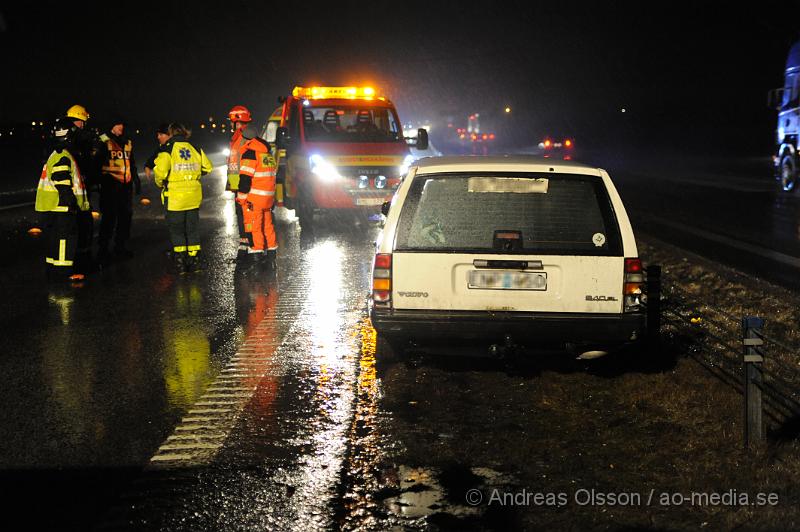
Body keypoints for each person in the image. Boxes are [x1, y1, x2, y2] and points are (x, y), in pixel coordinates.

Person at [35, 118, 91, 281]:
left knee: (54, 238)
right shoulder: (63, 154)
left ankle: (53, 269)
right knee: (64, 239)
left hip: (51, 207)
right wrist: (70, 201)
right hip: (61, 207)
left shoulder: (56, 152)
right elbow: (61, 179)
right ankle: (63, 272)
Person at [153, 123, 213, 273]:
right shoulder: (194, 147)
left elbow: (160, 173)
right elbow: (207, 167)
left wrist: (161, 183)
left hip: (175, 198)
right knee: (192, 229)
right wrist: (194, 177)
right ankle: (195, 261)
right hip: (193, 196)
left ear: (171, 133)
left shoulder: (167, 149)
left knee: (177, 230)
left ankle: (180, 262)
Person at [97, 116, 140, 263]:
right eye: (117, 124)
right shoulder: (103, 140)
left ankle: (120, 247)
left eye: (122, 124)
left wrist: (136, 179)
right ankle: (103, 250)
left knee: (125, 218)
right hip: (109, 186)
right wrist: (98, 181)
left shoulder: (127, 141)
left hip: (125, 187)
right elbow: (96, 162)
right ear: (111, 126)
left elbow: (131, 162)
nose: (121, 127)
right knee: (109, 219)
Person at [65, 104, 102, 271]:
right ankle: (82, 261)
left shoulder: (67, 138)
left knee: (82, 224)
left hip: (76, 189)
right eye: (82, 121)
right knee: (83, 224)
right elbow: (85, 164)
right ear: (78, 120)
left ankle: (81, 259)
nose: (83, 125)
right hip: (77, 190)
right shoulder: (76, 139)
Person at [238, 124, 278, 270]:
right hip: (267, 198)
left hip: (254, 198)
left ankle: (256, 257)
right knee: (267, 226)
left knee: (253, 227)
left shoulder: (250, 153)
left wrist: (241, 197)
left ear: (246, 139)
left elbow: (245, 180)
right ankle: (271, 254)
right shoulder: (267, 154)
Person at [227, 105, 253, 258]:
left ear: (237, 121)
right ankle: (248, 242)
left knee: (243, 212)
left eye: (231, 122)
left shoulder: (240, 137)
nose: (230, 125)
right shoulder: (244, 135)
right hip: (244, 180)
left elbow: (236, 163)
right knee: (245, 212)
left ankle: (247, 243)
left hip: (242, 182)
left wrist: (234, 184)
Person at [144, 123, 171, 208]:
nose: (158, 137)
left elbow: (160, 175)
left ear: (169, 135)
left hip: (174, 192)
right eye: (157, 135)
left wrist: (159, 182)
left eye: (161, 134)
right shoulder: (161, 148)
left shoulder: (168, 149)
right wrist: (147, 166)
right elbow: (153, 159)